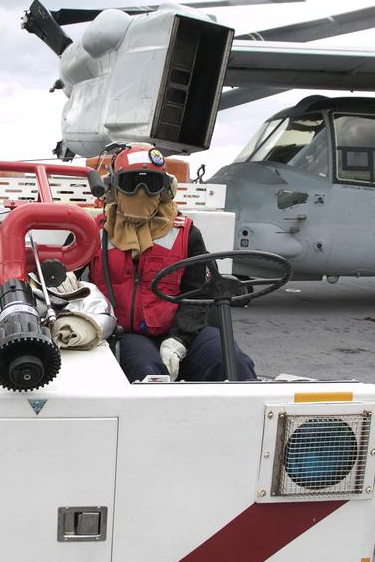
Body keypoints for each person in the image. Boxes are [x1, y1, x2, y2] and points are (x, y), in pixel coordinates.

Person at [88, 143, 257, 382]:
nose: (141, 192)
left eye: (151, 184)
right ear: (113, 187)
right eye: (131, 183)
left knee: (232, 362)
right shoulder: (94, 234)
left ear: (166, 189)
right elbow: (69, 287)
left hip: (184, 332)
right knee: (147, 372)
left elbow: (200, 294)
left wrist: (179, 340)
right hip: (125, 333)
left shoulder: (186, 233)